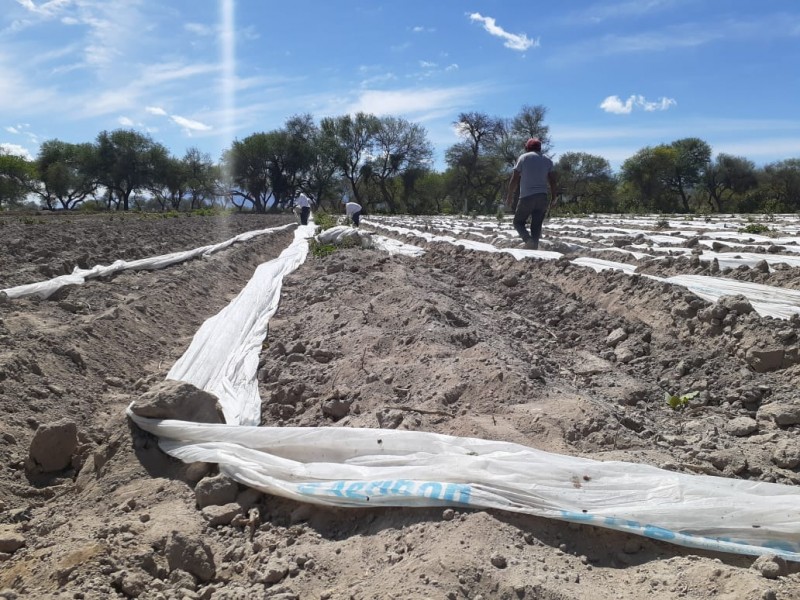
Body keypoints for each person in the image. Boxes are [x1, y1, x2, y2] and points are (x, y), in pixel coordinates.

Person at [505, 138, 557, 250]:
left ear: (527, 148)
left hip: (527, 197)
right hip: (542, 197)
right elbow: (552, 181)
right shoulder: (547, 160)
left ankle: (528, 241)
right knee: (536, 225)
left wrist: (509, 196)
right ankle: (534, 248)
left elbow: (514, 179)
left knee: (518, 222)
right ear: (540, 148)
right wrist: (554, 198)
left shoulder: (523, 158)